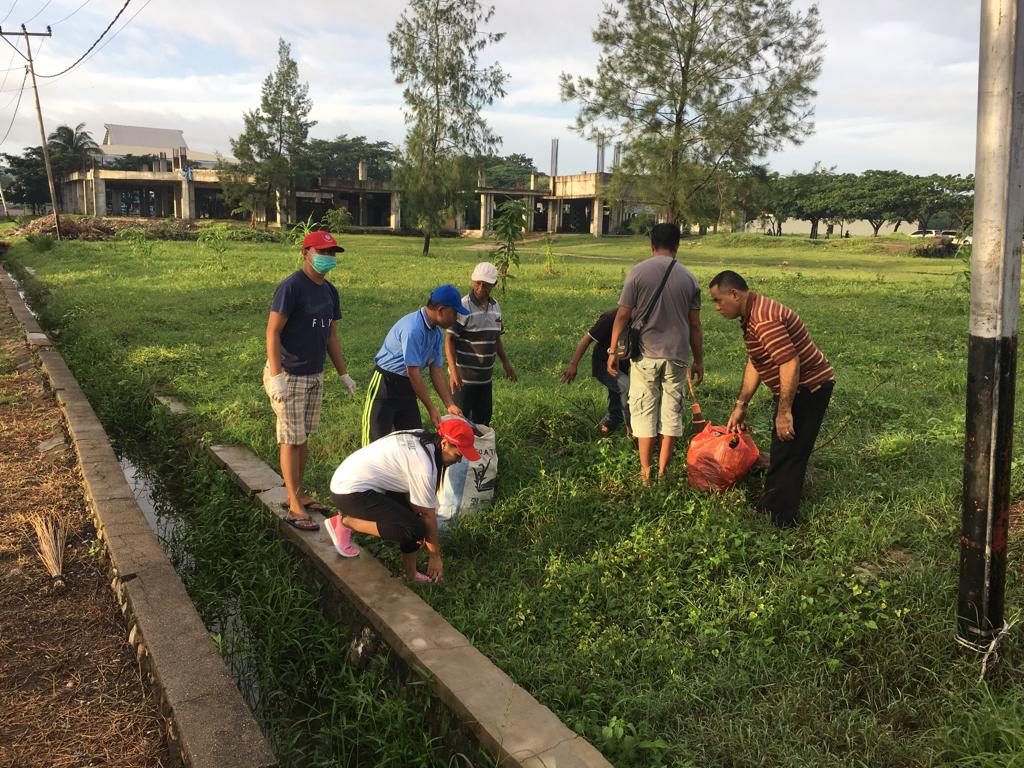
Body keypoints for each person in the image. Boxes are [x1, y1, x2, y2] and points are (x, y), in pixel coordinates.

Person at [708, 270, 835, 527]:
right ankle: (772, 505)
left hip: (809, 388)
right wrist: (740, 404)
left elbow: (789, 362)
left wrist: (785, 411)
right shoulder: (751, 315)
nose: (717, 307)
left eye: (718, 300)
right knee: (782, 448)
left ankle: (780, 518)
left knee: (790, 451)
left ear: (734, 294)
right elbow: (757, 362)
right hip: (796, 388)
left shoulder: (763, 319)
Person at [265, 230, 357, 532]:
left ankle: (300, 492)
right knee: (290, 439)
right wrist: (277, 375)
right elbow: (273, 332)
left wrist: (343, 373)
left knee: (303, 437)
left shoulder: (330, 292)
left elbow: (331, 336)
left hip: (314, 373)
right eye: (322, 252)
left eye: (332, 254)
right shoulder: (292, 287)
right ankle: (293, 504)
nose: (328, 258)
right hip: (289, 374)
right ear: (306, 252)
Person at [324, 417, 480, 581]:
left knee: (415, 522)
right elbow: (428, 516)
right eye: (458, 454)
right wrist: (435, 556)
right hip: (350, 493)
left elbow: (417, 503)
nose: (459, 460)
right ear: (444, 444)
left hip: (354, 482)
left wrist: (415, 516)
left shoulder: (421, 436)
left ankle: (410, 575)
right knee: (415, 529)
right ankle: (346, 522)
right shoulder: (425, 466)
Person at [608, 223, 704, 483]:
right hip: (677, 355)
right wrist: (699, 361)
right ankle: (663, 470)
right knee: (672, 410)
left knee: (643, 409)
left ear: (651, 245)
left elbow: (622, 316)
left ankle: (645, 471)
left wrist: (613, 351)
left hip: (645, 354)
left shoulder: (638, 273)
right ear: (677, 245)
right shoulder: (690, 278)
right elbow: (694, 325)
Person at [362, 285, 466, 445]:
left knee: (414, 439)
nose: (456, 318)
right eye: (454, 313)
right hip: (385, 384)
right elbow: (413, 373)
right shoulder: (413, 329)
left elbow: (436, 371)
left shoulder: (436, 333)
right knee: (375, 441)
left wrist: (449, 404)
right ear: (441, 310)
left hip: (407, 387)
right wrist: (431, 408)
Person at [445, 261, 518, 426]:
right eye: (478, 283)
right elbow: (449, 339)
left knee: (482, 421)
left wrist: (506, 363)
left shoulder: (495, 307)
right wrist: (454, 371)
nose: (480, 288)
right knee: (458, 422)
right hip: (464, 379)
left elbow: (496, 338)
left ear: (494, 285)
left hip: (485, 379)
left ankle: (478, 451)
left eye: (485, 285)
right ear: (473, 281)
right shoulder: (463, 306)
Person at [560, 308, 630, 436]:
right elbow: (587, 339)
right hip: (603, 365)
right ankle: (631, 430)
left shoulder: (643, 317)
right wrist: (573, 364)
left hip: (622, 365)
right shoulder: (610, 318)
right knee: (626, 387)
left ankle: (608, 428)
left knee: (617, 396)